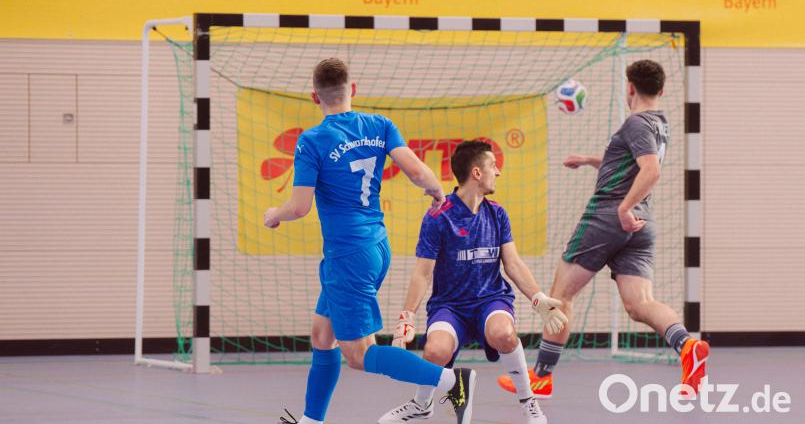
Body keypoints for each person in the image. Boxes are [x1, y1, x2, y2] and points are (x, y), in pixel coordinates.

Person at [266, 58, 477, 424]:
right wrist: (437, 190)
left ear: (315, 97)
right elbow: (416, 170)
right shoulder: (379, 125)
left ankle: (451, 380)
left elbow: (299, 207)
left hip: (348, 255)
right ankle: (311, 420)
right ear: (354, 90)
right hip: (375, 247)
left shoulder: (313, 140)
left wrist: (275, 214)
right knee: (322, 333)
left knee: (359, 354)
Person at [498, 59, 709, 400]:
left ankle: (542, 377)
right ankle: (687, 347)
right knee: (639, 303)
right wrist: (590, 160)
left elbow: (650, 171)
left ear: (630, 88)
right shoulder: (659, 124)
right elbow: (630, 162)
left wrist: (623, 208)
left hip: (609, 216)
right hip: (642, 224)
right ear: (661, 90)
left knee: (560, 295)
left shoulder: (636, 122)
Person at [378, 140, 568, 424]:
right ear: (477, 173)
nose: (498, 172)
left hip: (490, 300)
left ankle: (528, 402)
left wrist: (537, 298)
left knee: (504, 333)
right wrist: (407, 316)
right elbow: (422, 272)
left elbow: (513, 264)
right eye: (493, 166)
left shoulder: (497, 213)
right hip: (450, 305)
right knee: (434, 351)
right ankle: (421, 404)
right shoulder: (437, 217)